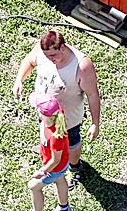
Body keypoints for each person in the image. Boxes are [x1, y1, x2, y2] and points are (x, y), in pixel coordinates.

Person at [12, 29, 100, 189]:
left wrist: (95, 123)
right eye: (46, 56)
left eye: (53, 56)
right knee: (46, 136)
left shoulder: (81, 66)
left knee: (71, 142)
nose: (49, 59)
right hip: (45, 112)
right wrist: (19, 80)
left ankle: (75, 165)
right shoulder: (42, 50)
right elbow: (30, 61)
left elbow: (93, 94)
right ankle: (49, 154)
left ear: (63, 47)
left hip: (68, 120)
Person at [18, 97, 73, 211]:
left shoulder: (56, 136)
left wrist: (41, 171)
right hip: (60, 165)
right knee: (60, 180)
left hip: (54, 167)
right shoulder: (55, 118)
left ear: (43, 115)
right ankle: (64, 209)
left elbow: (55, 160)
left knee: (33, 187)